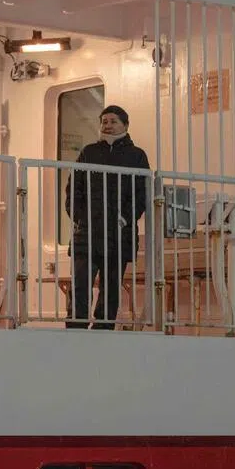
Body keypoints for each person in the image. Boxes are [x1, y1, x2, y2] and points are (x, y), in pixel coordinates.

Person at [64, 105, 150, 330]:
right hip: (87, 232)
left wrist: (126, 218)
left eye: (113, 121)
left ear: (125, 125)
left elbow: (142, 193)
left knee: (111, 287)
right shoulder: (88, 152)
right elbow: (74, 190)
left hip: (118, 234)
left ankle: (103, 330)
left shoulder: (137, 156)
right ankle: (76, 329)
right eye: (104, 121)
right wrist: (80, 218)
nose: (108, 125)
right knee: (80, 284)